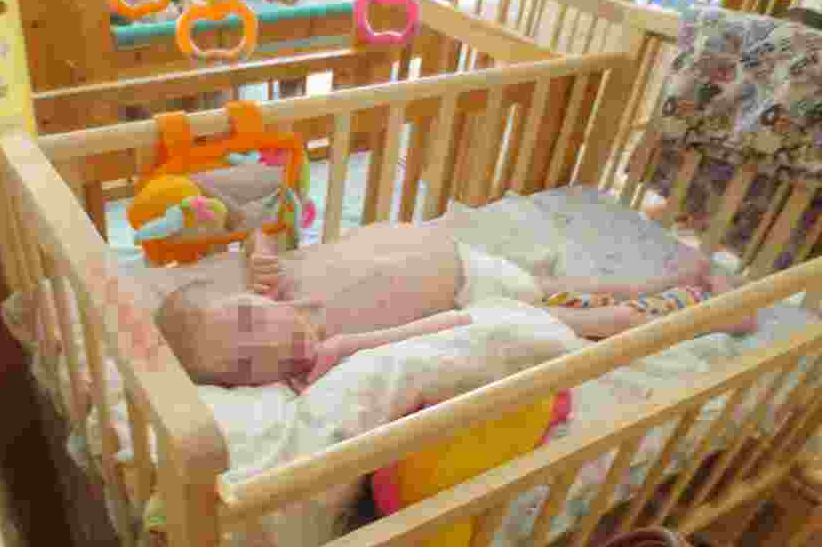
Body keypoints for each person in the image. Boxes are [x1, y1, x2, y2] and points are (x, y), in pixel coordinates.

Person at [154, 217, 757, 393]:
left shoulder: (270, 289)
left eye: (245, 319)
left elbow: (261, 231)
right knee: (603, 320)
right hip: (481, 312)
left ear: (242, 295)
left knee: (575, 289)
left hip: (472, 266)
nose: (266, 340)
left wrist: (259, 249)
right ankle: (713, 311)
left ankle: (674, 280)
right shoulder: (314, 367)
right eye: (245, 365)